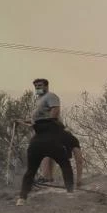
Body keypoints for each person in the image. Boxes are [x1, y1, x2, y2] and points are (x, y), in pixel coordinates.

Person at [16, 78, 74, 206]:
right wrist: (22, 122)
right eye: (36, 85)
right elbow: (35, 121)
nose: (38, 87)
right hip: (40, 135)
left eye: (40, 85)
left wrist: (49, 122)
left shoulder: (51, 96)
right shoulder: (39, 100)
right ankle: (22, 198)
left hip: (50, 134)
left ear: (46, 86)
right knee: (32, 169)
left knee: (64, 164)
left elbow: (55, 111)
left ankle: (70, 192)